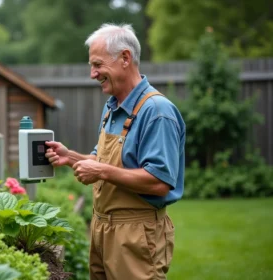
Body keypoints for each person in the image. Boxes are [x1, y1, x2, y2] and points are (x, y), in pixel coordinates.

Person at [45, 23, 185, 280]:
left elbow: (160, 182)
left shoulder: (157, 112)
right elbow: (103, 160)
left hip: (136, 235)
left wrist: (99, 170)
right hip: (102, 230)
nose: (92, 73)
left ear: (125, 58)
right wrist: (71, 157)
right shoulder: (112, 108)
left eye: (97, 64)